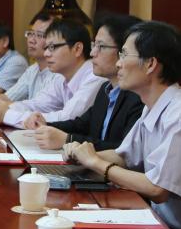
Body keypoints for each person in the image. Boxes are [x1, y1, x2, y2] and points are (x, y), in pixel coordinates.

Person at [64, 21, 181, 229]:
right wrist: (80, 154)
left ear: (151, 64)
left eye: (124, 54)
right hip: (165, 225)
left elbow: (158, 189)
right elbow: (124, 156)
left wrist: (96, 162)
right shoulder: (152, 106)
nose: (119, 63)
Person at [30, 13, 144, 150]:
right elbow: (82, 125)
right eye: (94, 45)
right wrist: (45, 125)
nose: (92, 53)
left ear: (124, 52)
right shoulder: (106, 88)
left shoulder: (138, 96)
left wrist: (67, 139)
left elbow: (123, 151)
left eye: (101, 46)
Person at [0, 19, 104, 128]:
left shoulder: (95, 77)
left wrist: (7, 115)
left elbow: (67, 118)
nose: (46, 54)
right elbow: (38, 104)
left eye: (52, 47)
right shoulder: (61, 77)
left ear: (77, 49)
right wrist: (6, 108)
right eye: (46, 48)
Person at [0, 12, 61, 110]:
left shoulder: (60, 72)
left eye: (39, 35)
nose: (31, 40)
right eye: (30, 34)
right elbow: (7, 97)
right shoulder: (32, 70)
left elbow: (40, 106)